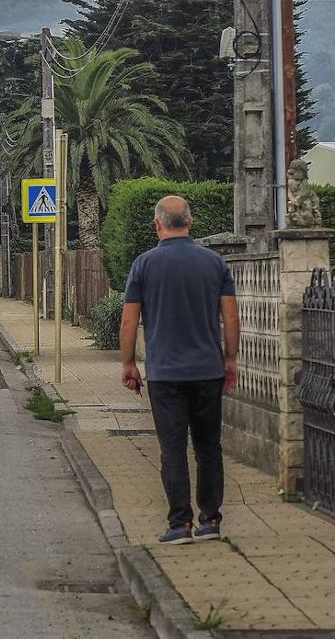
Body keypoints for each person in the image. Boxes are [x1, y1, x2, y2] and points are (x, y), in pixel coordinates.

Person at [119, 195, 239, 546]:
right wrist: (230, 359)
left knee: (172, 448)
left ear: (158, 224)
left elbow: (129, 320)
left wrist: (128, 363)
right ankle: (211, 519)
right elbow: (230, 316)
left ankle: (179, 525)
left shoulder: (144, 265)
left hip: (165, 374)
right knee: (208, 446)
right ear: (191, 221)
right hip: (207, 370)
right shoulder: (215, 263)